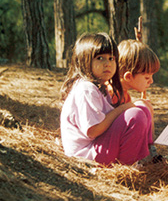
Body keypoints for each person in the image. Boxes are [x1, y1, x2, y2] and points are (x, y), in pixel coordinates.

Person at [59, 33, 153, 166]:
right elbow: (93, 130)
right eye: (100, 58)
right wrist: (124, 108)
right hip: (87, 155)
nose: (107, 64)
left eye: (111, 58)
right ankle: (126, 168)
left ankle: (146, 155)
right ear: (84, 60)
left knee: (142, 108)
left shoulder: (99, 87)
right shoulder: (86, 89)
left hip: (99, 147)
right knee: (135, 115)